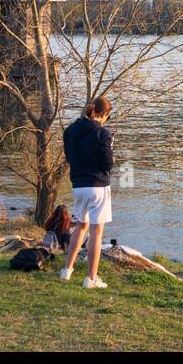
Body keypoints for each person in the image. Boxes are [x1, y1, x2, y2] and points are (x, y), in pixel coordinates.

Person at [59, 95, 115, 289]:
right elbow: (108, 163)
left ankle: (67, 269)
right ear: (105, 114)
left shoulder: (70, 130)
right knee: (96, 232)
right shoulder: (103, 134)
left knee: (80, 226)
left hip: (78, 185)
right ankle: (91, 278)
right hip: (98, 186)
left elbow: (69, 156)